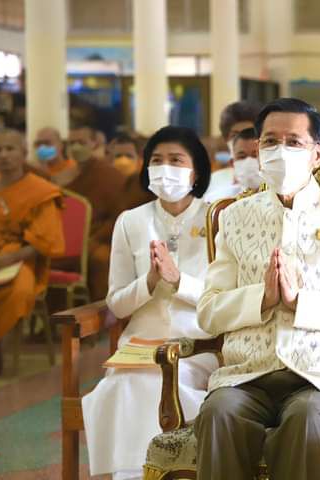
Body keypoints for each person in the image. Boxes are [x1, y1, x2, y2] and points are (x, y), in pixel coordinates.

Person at [193, 98, 320, 480]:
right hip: (247, 377)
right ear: (257, 149)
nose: (280, 151)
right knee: (218, 412)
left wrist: (301, 303)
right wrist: (262, 299)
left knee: (305, 416)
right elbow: (208, 312)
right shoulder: (234, 217)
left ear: (317, 153)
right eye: (270, 141)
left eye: (294, 142)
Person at [82, 126, 219, 480]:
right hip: (139, 347)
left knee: (161, 381)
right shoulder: (131, 221)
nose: (165, 168)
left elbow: (225, 297)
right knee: (123, 384)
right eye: (157, 160)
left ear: (197, 171)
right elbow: (117, 304)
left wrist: (178, 281)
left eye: (176, 160)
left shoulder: (218, 219)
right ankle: (135, 474)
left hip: (198, 343)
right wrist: (149, 283)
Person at [0, 129, 64, 375]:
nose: (3, 155)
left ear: (23, 153)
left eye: (9, 149)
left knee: (18, 291)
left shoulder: (41, 191)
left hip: (20, 260)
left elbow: (43, 242)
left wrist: (5, 260)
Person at [58, 125, 126, 300]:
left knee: (101, 260)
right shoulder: (62, 176)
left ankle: (104, 310)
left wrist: (95, 238)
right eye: (71, 143)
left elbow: (119, 215)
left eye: (81, 142)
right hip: (63, 239)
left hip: (99, 238)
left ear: (94, 144)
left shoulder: (109, 175)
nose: (76, 147)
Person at [207, 101, 263, 193]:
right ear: (226, 139)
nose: (242, 141)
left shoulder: (275, 181)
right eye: (235, 135)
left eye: (249, 134)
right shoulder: (213, 182)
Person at [204, 127, 261, 203]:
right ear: (232, 163)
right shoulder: (216, 201)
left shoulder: (277, 197)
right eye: (242, 156)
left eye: (255, 155)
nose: (249, 161)